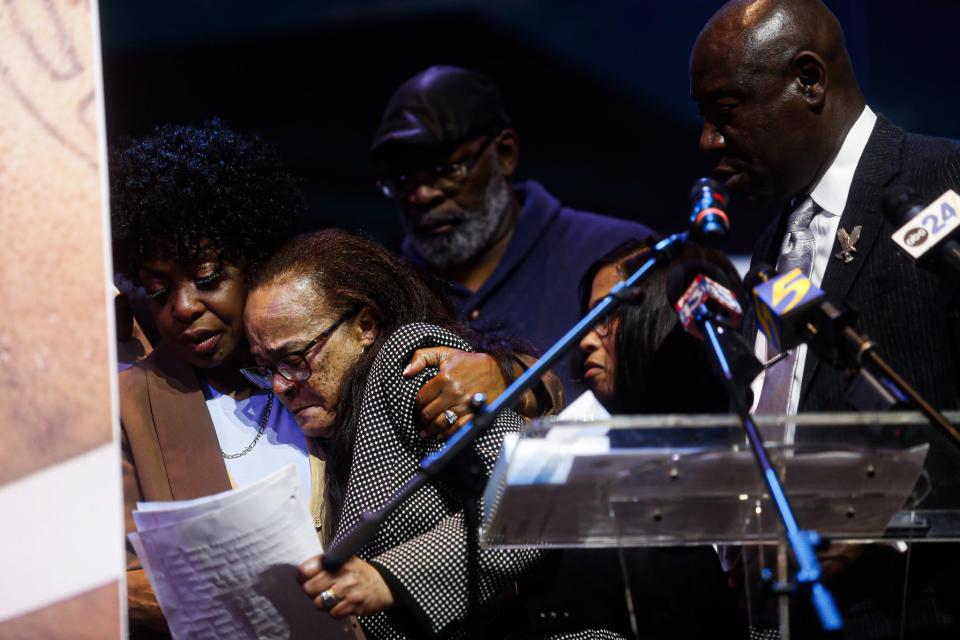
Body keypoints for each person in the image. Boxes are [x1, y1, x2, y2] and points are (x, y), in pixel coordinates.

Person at [111, 121, 508, 638]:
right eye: (158, 290)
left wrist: (506, 370)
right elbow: (115, 583)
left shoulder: (362, 358)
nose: (184, 308)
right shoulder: (133, 405)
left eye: (207, 278)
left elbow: (520, 490)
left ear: (255, 260)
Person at [690, 1, 960, 637]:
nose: (708, 142)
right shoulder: (770, 249)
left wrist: (874, 514)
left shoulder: (945, 183)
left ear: (808, 81)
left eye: (724, 113)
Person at [243, 229, 623, 640]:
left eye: (295, 358)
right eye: (267, 369)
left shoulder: (407, 365)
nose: (281, 385)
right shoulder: (331, 427)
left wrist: (388, 579)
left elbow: (535, 495)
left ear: (365, 325)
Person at [371, 65, 658, 398]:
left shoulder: (614, 255)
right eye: (402, 179)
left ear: (505, 153)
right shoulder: (385, 295)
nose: (422, 194)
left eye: (444, 169)